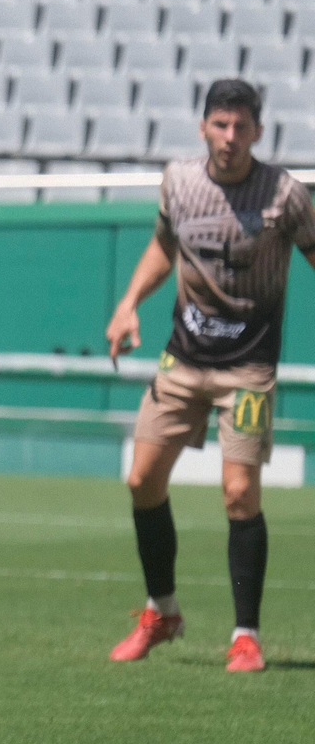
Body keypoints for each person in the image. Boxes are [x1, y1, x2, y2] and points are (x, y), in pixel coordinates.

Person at [105, 78, 315, 673]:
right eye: (220, 125)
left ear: (258, 132)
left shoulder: (285, 195)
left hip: (248, 368)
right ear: (203, 128)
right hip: (183, 360)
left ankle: (246, 635)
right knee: (142, 480)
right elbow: (162, 247)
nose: (229, 137)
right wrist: (128, 303)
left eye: (240, 127)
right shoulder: (179, 182)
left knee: (239, 492)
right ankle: (162, 612)